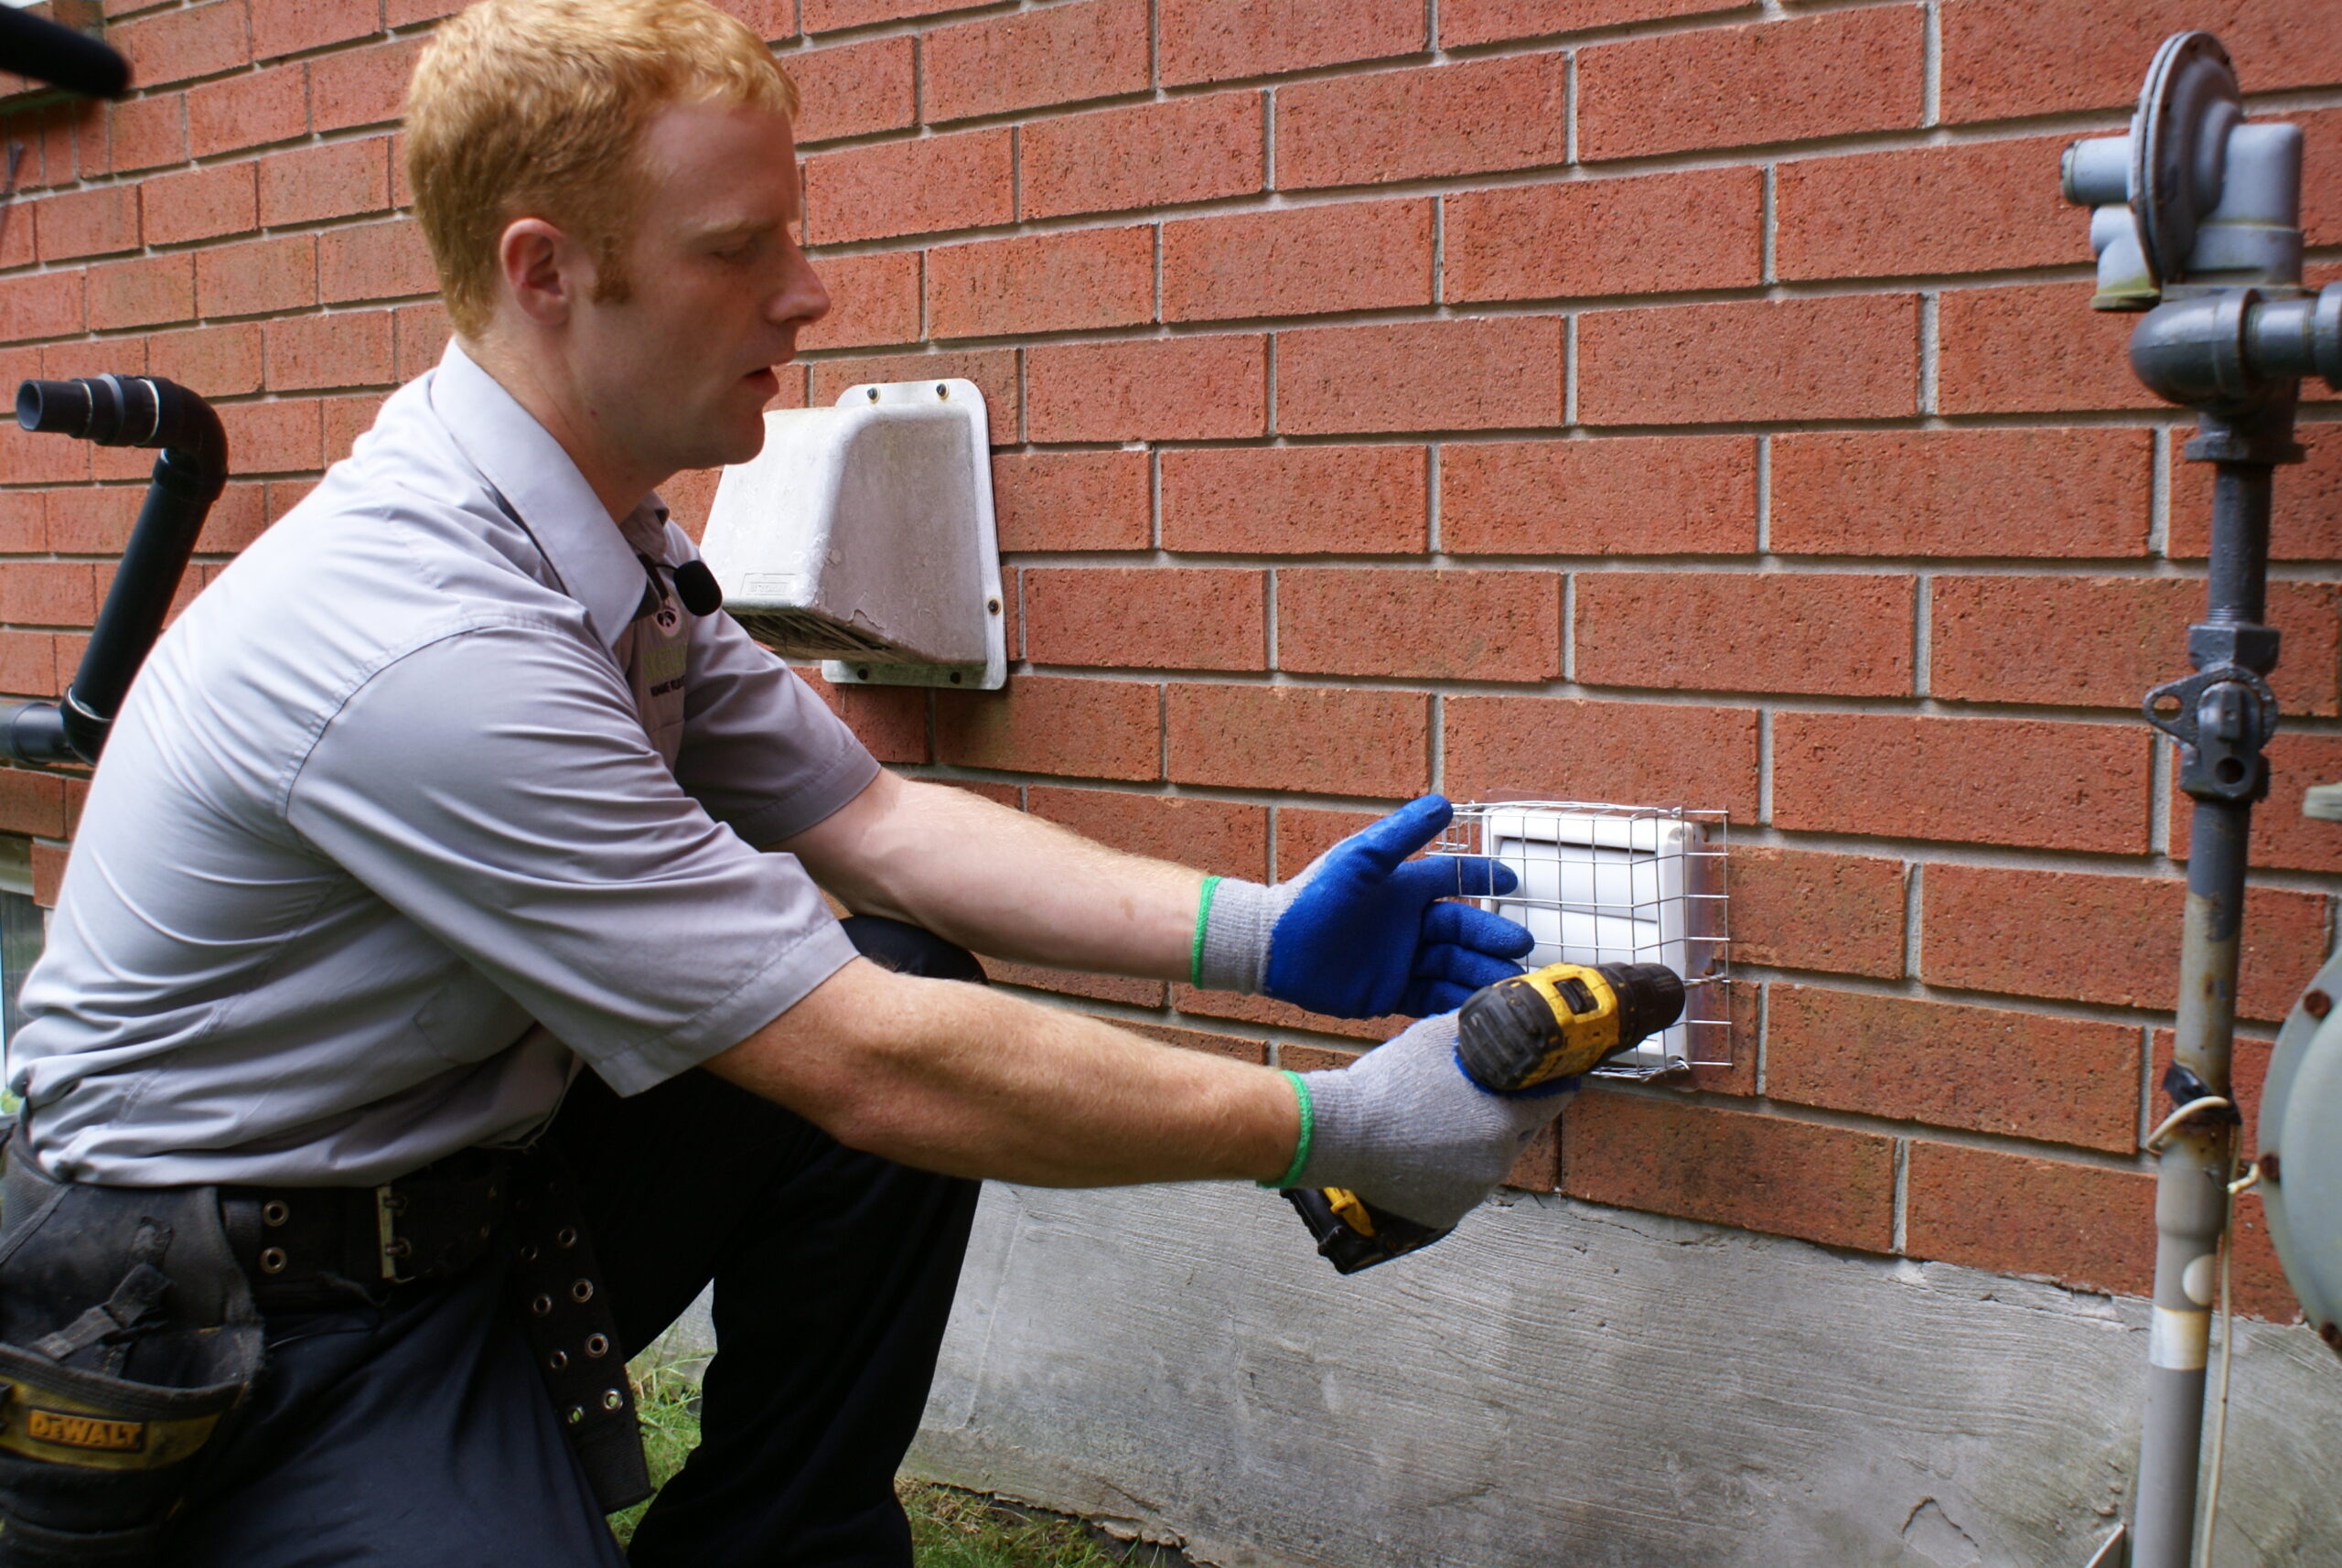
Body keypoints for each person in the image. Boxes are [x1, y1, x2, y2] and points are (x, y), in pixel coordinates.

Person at [0, 3, 1577, 1563]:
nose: (808, 293)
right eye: (737, 249)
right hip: (214, 1311)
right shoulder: (430, 647)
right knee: (871, 1039)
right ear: (545, 270)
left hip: (465, 1208)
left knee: (897, 958)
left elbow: (873, 825)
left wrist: (1263, 931)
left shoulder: (605, 542)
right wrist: (1331, 1126)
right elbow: (852, 1058)